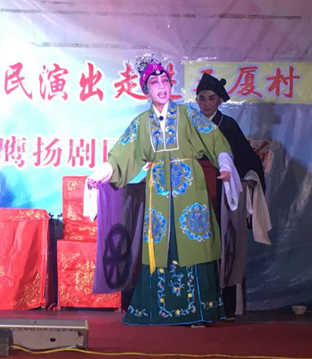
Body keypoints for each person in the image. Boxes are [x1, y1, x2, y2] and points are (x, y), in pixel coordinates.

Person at [88, 54, 239, 326]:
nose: (161, 86)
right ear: (146, 90)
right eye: (154, 82)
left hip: (189, 188)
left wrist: (225, 162)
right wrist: (102, 172)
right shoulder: (140, 123)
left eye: (165, 81)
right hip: (157, 190)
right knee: (160, 244)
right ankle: (157, 310)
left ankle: (200, 311)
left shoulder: (188, 114)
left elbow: (214, 139)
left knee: (194, 241)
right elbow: (123, 154)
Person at [195, 73, 269, 318]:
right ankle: (196, 303)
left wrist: (249, 178)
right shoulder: (189, 125)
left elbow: (248, 159)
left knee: (227, 246)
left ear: (219, 100)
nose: (206, 103)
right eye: (202, 98)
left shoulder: (228, 126)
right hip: (194, 195)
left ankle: (227, 306)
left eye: (211, 98)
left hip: (224, 195)